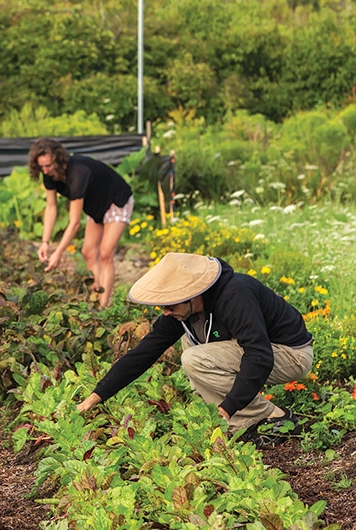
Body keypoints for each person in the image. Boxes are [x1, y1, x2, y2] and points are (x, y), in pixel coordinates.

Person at [76, 252, 314, 446]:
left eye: (169, 305)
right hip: (256, 351)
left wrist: (227, 407)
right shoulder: (181, 309)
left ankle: (271, 417)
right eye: (162, 306)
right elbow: (145, 352)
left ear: (192, 293)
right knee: (189, 342)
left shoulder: (235, 295)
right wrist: (96, 396)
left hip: (290, 354)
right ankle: (248, 416)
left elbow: (259, 355)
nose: (165, 312)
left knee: (195, 358)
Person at [28, 138, 134, 308]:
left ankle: (103, 307)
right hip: (96, 207)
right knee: (88, 252)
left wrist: (58, 253)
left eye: (48, 166)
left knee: (106, 253)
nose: (45, 171)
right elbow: (51, 207)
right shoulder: (49, 175)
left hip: (116, 201)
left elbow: (74, 223)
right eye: (41, 167)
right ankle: (96, 295)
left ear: (58, 159)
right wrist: (45, 242)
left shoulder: (77, 173)